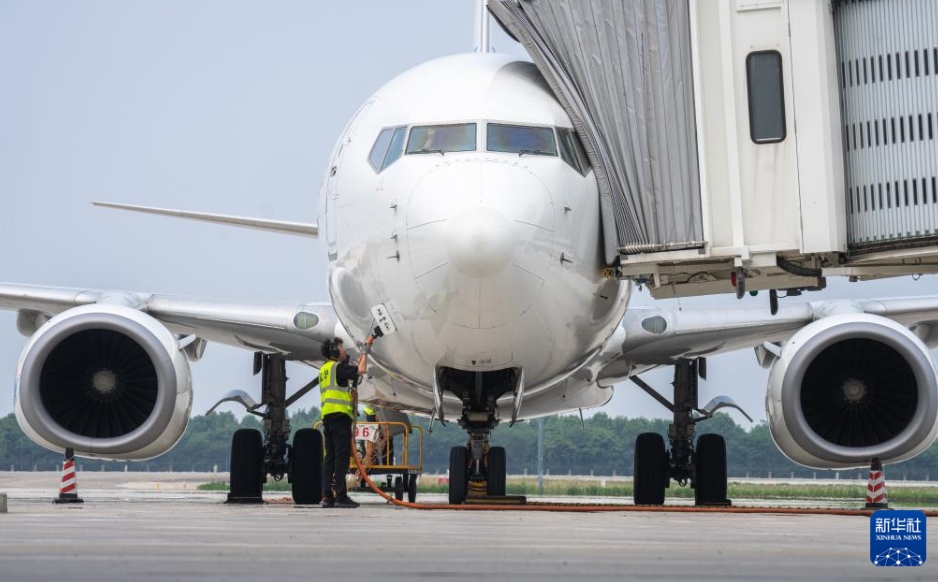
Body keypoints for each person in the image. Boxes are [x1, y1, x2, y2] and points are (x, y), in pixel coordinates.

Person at [319, 334, 375, 508]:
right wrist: (365, 352)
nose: (345, 351)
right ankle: (341, 496)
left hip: (327, 418)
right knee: (341, 458)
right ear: (335, 351)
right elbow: (362, 370)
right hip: (340, 417)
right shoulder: (337, 368)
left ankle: (327, 496)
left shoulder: (324, 369)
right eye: (342, 348)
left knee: (330, 458)